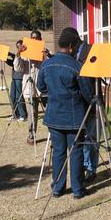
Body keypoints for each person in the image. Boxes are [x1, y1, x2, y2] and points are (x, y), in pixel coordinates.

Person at [37, 30, 93, 199]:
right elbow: (87, 93)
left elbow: (41, 87)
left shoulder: (47, 64)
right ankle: (77, 189)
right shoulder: (76, 66)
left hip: (54, 117)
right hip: (74, 117)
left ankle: (58, 188)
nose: (77, 49)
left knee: (58, 153)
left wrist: (56, 93)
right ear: (71, 47)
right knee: (75, 152)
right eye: (76, 46)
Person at [62, 27, 99, 184]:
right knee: (81, 137)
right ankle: (83, 166)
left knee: (92, 137)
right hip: (76, 103)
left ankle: (91, 168)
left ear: (75, 41)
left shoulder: (92, 50)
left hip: (91, 100)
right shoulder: (69, 54)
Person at [15, 30, 43, 144]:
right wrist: (19, 54)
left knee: (51, 111)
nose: (35, 40)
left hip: (43, 87)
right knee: (32, 113)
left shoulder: (44, 52)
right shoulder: (24, 54)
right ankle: (31, 134)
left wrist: (47, 56)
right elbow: (18, 69)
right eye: (33, 38)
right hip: (30, 87)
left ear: (40, 39)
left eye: (37, 38)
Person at [5, 40, 27, 122]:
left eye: (20, 46)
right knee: (12, 97)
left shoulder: (25, 55)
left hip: (20, 78)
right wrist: (6, 58)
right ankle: (15, 114)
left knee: (19, 97)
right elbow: (13, 63)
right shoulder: (17, 54)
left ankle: (23, 115)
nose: (19, 47)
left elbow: (18, 62)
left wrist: (12, 55)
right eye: (17, 46)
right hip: (14, 77)